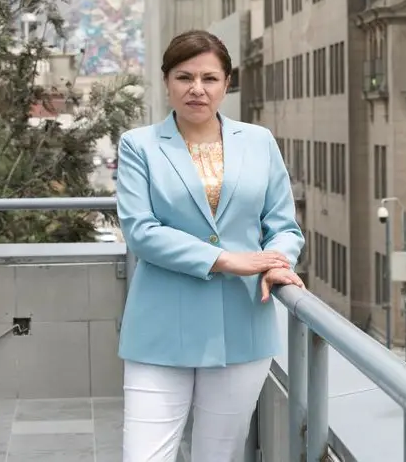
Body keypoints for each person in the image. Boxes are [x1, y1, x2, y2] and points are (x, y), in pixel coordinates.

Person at [115, 29, 305, 462]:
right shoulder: (139, 145)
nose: (196, 89)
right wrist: (226, 259)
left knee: (217, 456)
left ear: (227, 83)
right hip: (160, 327)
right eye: (184, 77)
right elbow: (141, 232)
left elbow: (284, 227)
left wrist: (279, 263)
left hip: (242, 327)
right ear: (166, 82)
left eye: (209, 78)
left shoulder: (259, 141)